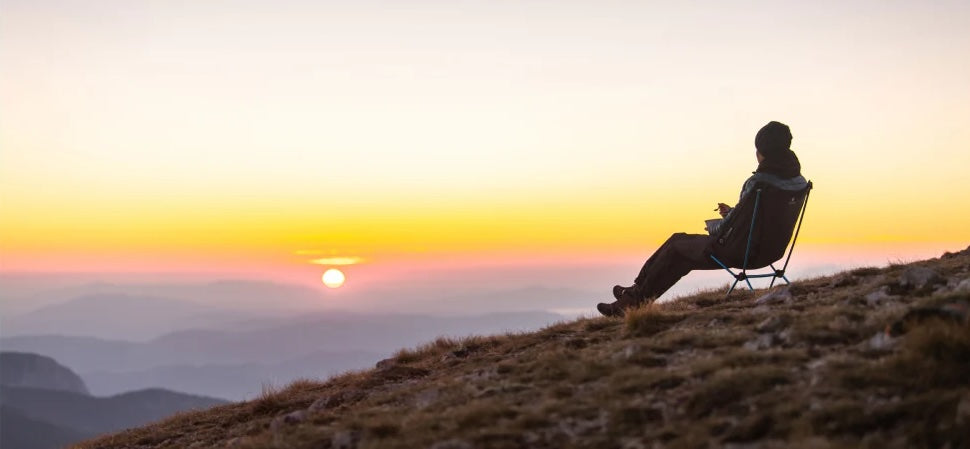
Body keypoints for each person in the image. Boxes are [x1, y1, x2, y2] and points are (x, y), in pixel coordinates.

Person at [597, 121, 809, 317]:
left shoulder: (758, 182)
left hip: (740, 251)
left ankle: (633, 298)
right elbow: (760, 217)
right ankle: (633, 298)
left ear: (762, 151)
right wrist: (733, 212)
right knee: (682, 257)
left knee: (676, 244)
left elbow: (725, 228)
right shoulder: (798, 182)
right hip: (771, 251)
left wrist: (714, 226)